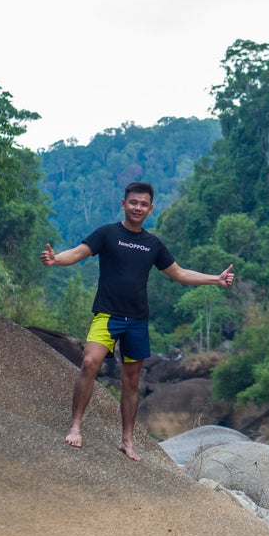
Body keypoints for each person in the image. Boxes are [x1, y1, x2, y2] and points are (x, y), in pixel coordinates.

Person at [40, 181, 234, 461]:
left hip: (137, 321)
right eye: (133, 202)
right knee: (89, 362)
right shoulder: (107, 233)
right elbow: (78, 253)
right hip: (108, 315)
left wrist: (215, 279)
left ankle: (127, 440)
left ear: (150, 208)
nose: (138, 208)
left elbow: (179, 274)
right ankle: (75, 426)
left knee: (131, 381)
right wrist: (56, 259)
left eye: (143, 204)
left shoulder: (153, 244)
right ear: (123, 204)